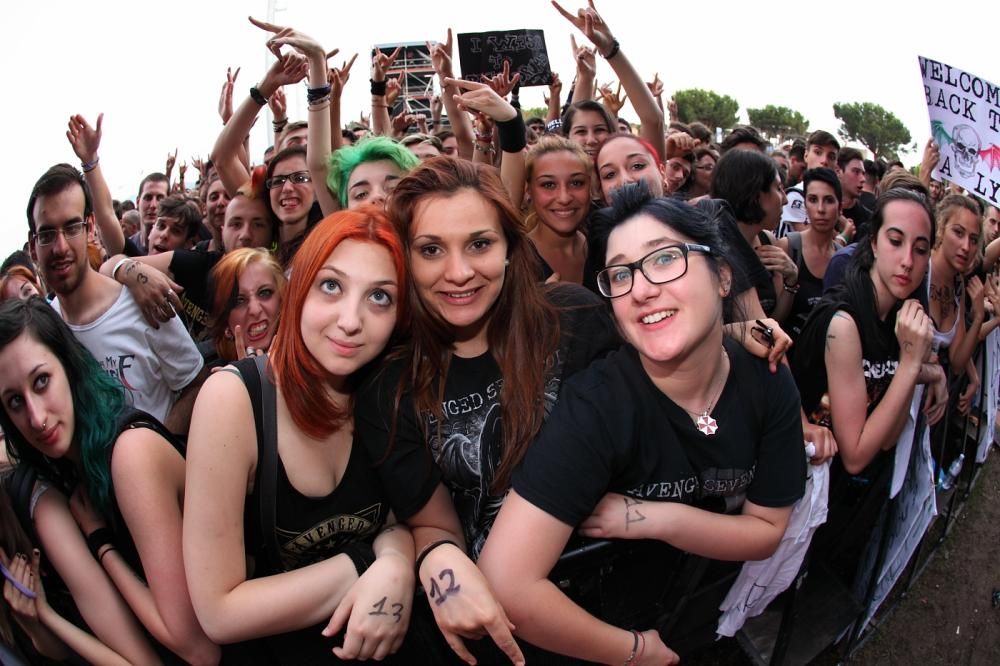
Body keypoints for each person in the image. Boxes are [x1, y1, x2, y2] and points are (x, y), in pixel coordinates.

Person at [478, 184, 806, 664]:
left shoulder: (767, 376)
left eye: (665, 258)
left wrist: (653, 518)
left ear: (722, 276)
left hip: (702, 616)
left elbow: (768, 529)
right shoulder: (598, 405)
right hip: (594, 635)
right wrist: (636, 654)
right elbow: (506, 582)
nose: (642, 288)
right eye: (620, 274)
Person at [355, 157, 622, 665]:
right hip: (495, 628)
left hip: (616, 590)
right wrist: (440, 560)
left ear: (509, 249)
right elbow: (435, 526)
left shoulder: (576, 318)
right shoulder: (389, 386)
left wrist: (733, 336)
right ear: (404, 260)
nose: (459, 273)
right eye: (431, 250)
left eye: (479, 244)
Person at [184, 208, 415, 664]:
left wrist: (396, 560)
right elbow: (218, 611)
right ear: (300, 289)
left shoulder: (386, 391)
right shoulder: (234, 399)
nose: (350, 320)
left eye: (379, 297)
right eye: (331, 286)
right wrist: (366, 563)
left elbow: (398, 521)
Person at [0, 297, 218, 664]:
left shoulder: (130, 455)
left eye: (41, 382)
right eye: (15, 402)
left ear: (69, 366)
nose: (36, 417)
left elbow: (198, 649)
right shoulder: (71, 469)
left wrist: (101, 544)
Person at [26, 164, 205, 433]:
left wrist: (158, 444)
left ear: (90, 228)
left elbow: (195, 383)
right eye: (47, 234)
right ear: (33, 246)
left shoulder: (142, 301)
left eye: (72, 227)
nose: (60, 247)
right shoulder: (44, 328)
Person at [792, 188, 947, 478]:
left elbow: (887, 439)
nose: (908, 260)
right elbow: (855, 456)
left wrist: (915, 363)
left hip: (848, 489)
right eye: (896, 241)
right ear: (874, 243)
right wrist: (911, 364)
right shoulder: (844, 323)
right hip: (804, 481)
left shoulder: (898, 317)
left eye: (920, 249)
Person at [928, 194, 986, 412]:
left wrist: (978, 317)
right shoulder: (920, 268)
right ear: (941, 228)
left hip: (928, 410)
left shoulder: (958, 285)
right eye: (958, 233)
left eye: (974, 240)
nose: (966, 246)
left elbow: (958, 361)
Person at [778, 168, 843, 340]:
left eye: (829, 200)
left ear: (840, 207)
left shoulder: (843, 259)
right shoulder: (788, 247)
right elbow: (774, 318)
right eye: (813, 200)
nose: (821, 209)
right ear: (805, 205)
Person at [524, 136, 593, 284]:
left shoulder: (603, 243)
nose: (564, 198)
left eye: (576, 183)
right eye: (548, 185)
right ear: (529, 189)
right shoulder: (514, 257)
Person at [208, 247, 286, 362]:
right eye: (239, 301)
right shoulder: (210, 371)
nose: (255, 310)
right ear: (225, 322)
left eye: (264, 293)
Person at [779, 130, 840, 237]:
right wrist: (845, 235)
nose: (824, 160)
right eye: (818, 152)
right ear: (806, 155)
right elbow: (817, 240)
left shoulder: (836, 196)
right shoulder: (795, 196)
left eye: (831, 157)